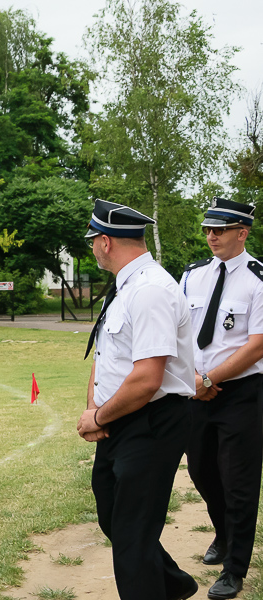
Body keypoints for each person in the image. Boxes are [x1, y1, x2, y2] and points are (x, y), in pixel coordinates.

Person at [76, 200, 197, 600]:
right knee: (114, 515)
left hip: (152, 421)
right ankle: (174, 584)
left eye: (93, 240)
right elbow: (107, 357)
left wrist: (99, 417)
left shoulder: (149, 290)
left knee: (132, 534)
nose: (93, 247)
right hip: (122, 418)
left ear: (106, 241)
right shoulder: (125, 286)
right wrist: (95, 410)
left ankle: (160, 588)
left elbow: (147, 380)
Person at [180, 198, 263, 599]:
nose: (211, 236)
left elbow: (257, 345)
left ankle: (235, 568)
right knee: (202, 471)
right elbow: (179, 332)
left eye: (220, 230)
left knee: (239, 483)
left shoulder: (258, 279)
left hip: (241, 394)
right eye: (207, 229)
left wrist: (210, 378)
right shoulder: (192, 275)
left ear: (242, 233)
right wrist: (194, 379)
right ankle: (224, 533)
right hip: (195, 390)